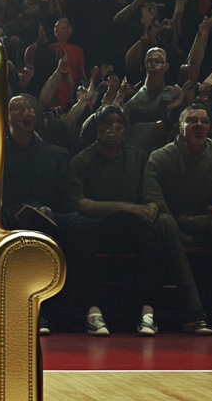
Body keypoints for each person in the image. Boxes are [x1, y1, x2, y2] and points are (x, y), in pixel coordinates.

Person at [144, 103, 212, 335]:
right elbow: (154, 200)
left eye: (204, 121)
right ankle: (194, 312)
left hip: (207, 224)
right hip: (175, 227)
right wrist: (181, 220)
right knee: (164, 222)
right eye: (192, 120)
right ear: (180, 127)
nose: (199, 125)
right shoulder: (159, 157)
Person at [66, 105, 164, 336]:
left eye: (118, 124)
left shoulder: (138, 157)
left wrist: (150, 208)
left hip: (130, 227)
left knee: (154, 235)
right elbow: (80, 204)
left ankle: (148, 313)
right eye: (106, 124)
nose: (112, 129)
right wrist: (127, 207)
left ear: (126, 131)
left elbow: (150, 196)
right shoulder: (81, 160)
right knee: (80, 232)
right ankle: (93, 312)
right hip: (97, 226)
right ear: (96, 129)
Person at [0, 93, 75, 334]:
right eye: (19, 109)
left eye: (31, 109)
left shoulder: (54, 154)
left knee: (80, 226)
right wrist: (12, 213)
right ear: (6, 117)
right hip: (5, 218)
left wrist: (47, 210)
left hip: (47, 216)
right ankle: (21, 314)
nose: (27, 113)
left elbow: (65, 197)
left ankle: (88, 311)